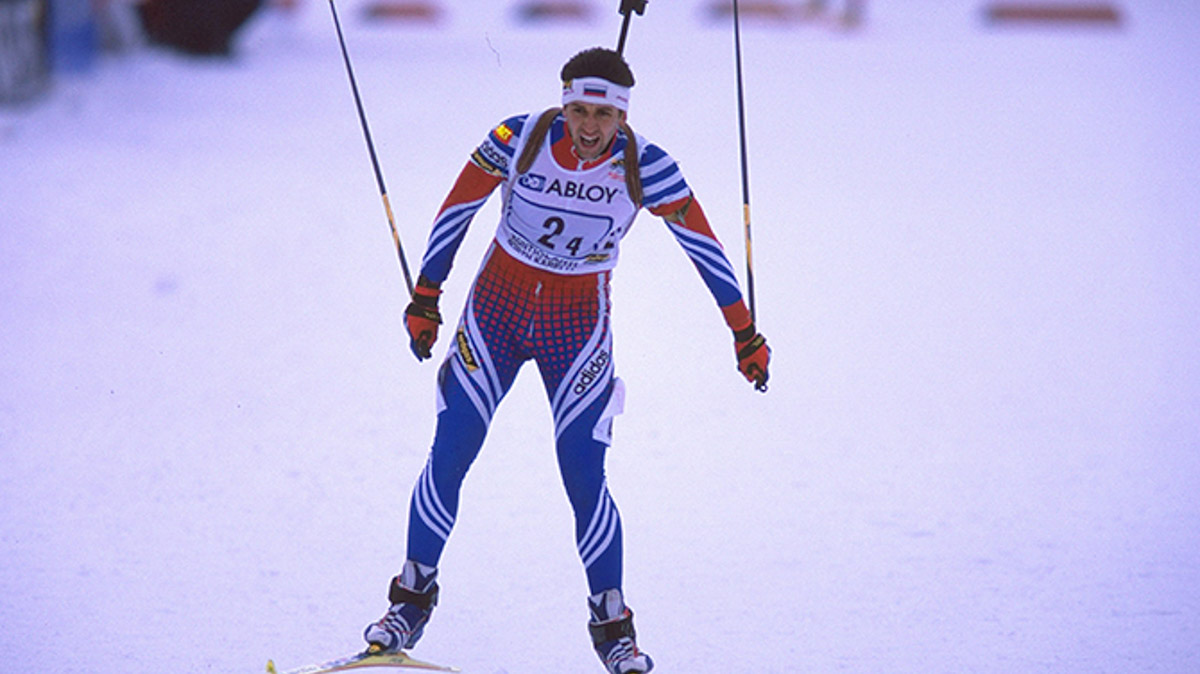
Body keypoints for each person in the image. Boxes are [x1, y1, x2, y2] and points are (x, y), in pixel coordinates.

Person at [364, 46, 770, 674]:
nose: (588, 127)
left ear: (623, 119)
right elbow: (457, 210)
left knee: (584, 477)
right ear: (563, 102)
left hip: (576, 331)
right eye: (578, 109)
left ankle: (614, 628)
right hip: (493, 316)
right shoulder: (518, 138)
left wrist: (743, 334)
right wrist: (426, 294)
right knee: (450, 454)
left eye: (603, 116)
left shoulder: (646, 166)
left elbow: (705, 248)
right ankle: (409, 601)